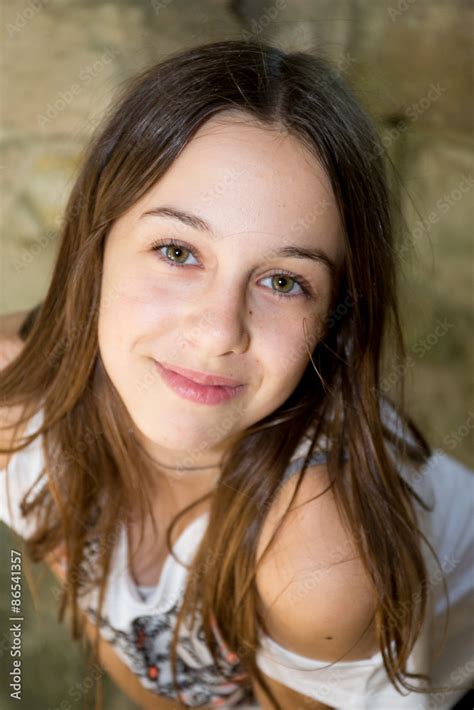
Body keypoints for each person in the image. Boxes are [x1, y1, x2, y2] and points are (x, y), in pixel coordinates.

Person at [0, 39, 473, 710]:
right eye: (177, 250)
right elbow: (123, 634)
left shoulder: (316, 563)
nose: (220, 331)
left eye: (283, 281)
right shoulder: (13, 402)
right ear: (95, 246)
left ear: (333, 319)